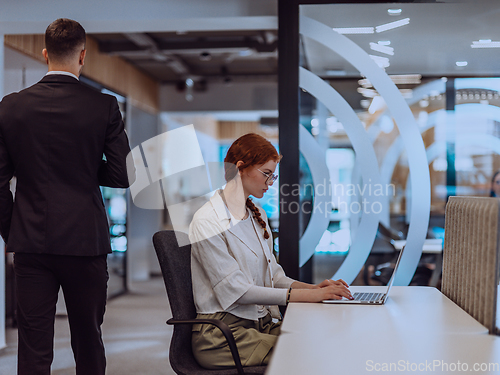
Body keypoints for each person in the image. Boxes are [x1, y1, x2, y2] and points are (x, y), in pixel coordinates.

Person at [0, 19, 132, 375]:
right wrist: (87, 170)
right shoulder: (104, 106)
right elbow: (123, 174)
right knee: (88, 341)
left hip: (31, 243)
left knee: (33, 346)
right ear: (83, 56)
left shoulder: (10, 107)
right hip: (85, 243)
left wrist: (14, 231)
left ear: (45, 54)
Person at [188, 133, 352, 369]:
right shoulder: (207, 220)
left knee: (323, 338)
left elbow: (274, 277)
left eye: (272, 175)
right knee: (309, 352)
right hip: (222, 335)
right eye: (266, 173)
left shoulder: (257, 215)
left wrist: (316, 288)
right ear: (240, 168)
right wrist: (311, 296)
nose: (271, 181)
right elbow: (238, 292)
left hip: (259, 323)